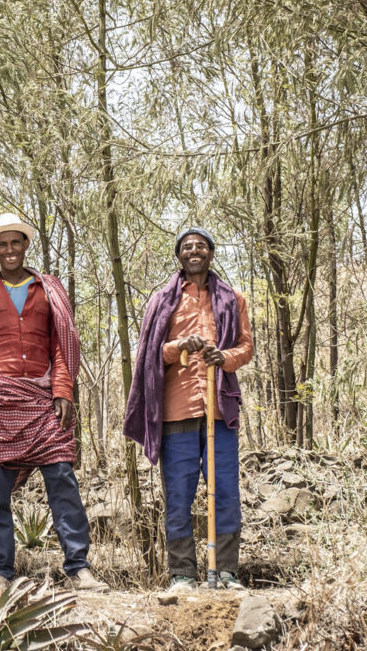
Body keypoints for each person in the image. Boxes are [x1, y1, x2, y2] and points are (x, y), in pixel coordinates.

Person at [0, 212, 109, 596]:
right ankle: (0, 572)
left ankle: (78, 567)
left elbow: (61, 345)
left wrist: (63, 390)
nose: (9, 250)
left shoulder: (48, 289)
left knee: (62, 479)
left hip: (43, 400)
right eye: (1, 244)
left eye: (16, 242)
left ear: (26, 245)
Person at [123, 227, 253, 591]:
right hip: (175, 413)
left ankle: (226, 572)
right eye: (187, 247)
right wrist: (177, 346)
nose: (194, 251)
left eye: (201, 246)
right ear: (179, 255)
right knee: (178, 494)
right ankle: (182, 575)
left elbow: (246, 346)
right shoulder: (162, 299)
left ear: (211, 253)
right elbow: (150, 351)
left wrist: (223, 357)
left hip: (220, 412)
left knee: (225, 491)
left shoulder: (232, 298)